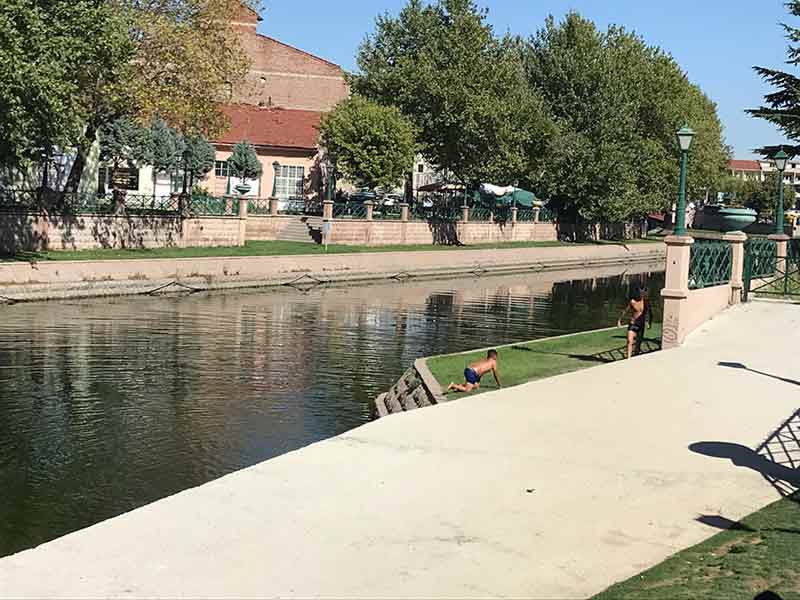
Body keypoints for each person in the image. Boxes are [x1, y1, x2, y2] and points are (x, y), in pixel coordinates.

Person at [617, 287, 651, 359]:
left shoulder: (646, 302)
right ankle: (628, 359)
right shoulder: (632, 302)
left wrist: (648, 322)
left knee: (638, 344)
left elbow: (649, 313)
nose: (641, 294)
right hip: (633, 323)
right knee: (629, 341)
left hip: (641, 324)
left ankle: (635, 358)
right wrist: (619, 320)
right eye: (640, 292)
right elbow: (625, 311)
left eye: (643, 293)